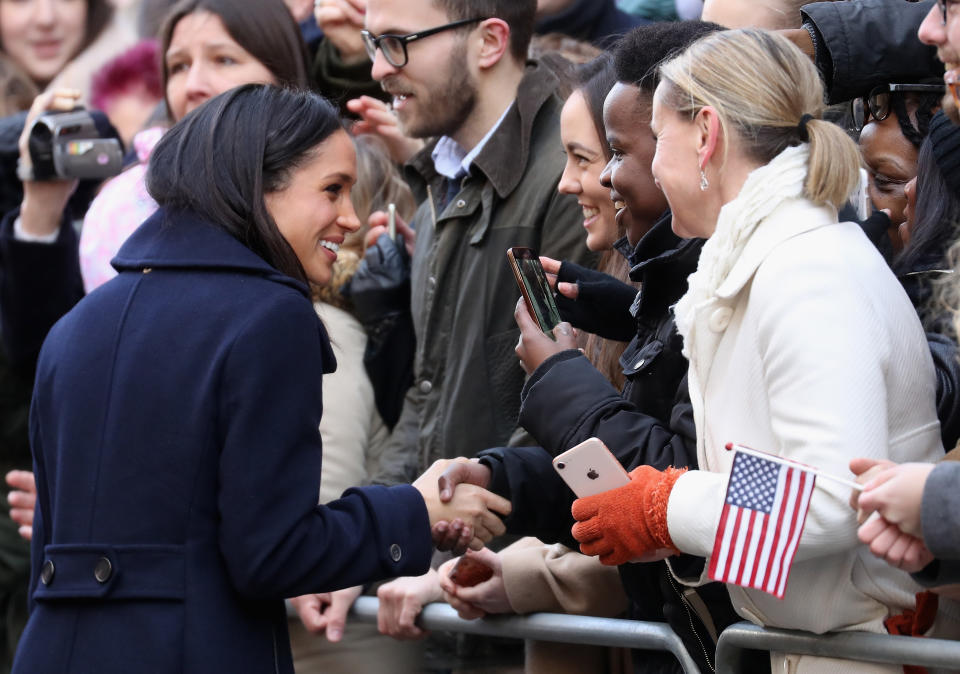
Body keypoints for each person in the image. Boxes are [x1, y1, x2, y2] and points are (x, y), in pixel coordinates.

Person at [12, 83, 510, 674]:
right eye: (332, 190)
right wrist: (413, 511)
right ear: (256, 187)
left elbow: (54, 549)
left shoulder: (74, 325)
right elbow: (272, 553)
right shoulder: (269, 314)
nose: (350, 219)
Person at [560, 28, 957, 672]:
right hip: (815, 648)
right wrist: (668, 513)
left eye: (659, 139)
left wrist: (668, 507)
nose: (653, 165)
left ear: (707, 136)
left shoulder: (809, 272)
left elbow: (830, 497)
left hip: (863, 653)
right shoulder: (778, 261)